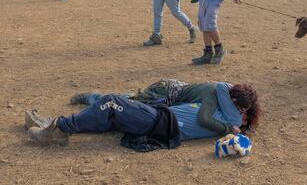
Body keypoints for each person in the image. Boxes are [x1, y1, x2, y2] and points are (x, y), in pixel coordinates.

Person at [26, 83, 260, 148]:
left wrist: (233, 127)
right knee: (111, 115)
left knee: (111, 102)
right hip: (159, 116)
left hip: (160, 121)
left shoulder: (232, 119)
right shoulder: (225, 112)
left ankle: (58, 130)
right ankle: (54, 125)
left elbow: (220, 86)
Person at [71, 80, 261, 134]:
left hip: (169, 94)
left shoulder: (226, 93)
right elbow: (204, 119)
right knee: (123, 104)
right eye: (240, 108)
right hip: (164, 94)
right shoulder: (213, 94)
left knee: (130, 101)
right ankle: (92, 98)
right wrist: (229, 128)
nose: (240, 112)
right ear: (233, 100)